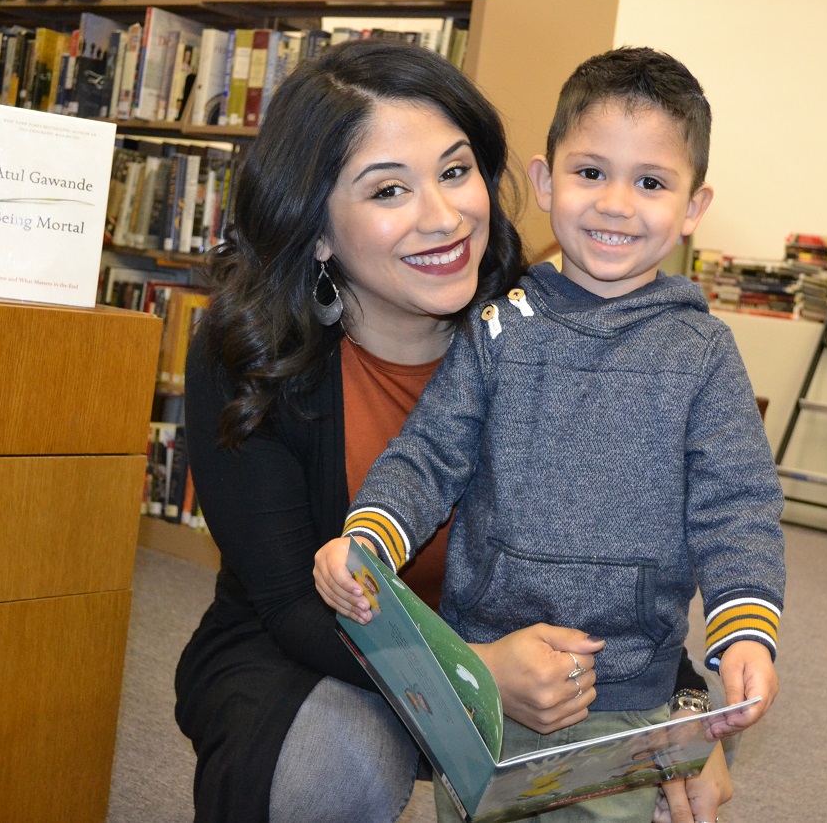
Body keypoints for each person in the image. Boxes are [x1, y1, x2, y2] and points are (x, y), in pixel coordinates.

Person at [176, 39, 733, 823]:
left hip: (528, 647)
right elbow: (294, 604)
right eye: (388, 191)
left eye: (455, 171)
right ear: (319, 228)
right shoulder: (252, 352)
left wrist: (679, 709)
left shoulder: (536, 324)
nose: (444, 218)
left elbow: (617, 540)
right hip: (317, 651)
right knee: (336, 763)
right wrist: (475, 674)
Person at [316, 46, 785, 822]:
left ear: (694, 208)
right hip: (490, 684)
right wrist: (369, 541)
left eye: (652, 183)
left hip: (629, 690)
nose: (615, 205)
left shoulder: (703, 355)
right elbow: (429, 455)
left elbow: (737, 506)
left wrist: (746, 632)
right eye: (591, 172)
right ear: (544, 181)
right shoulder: (499, 328)